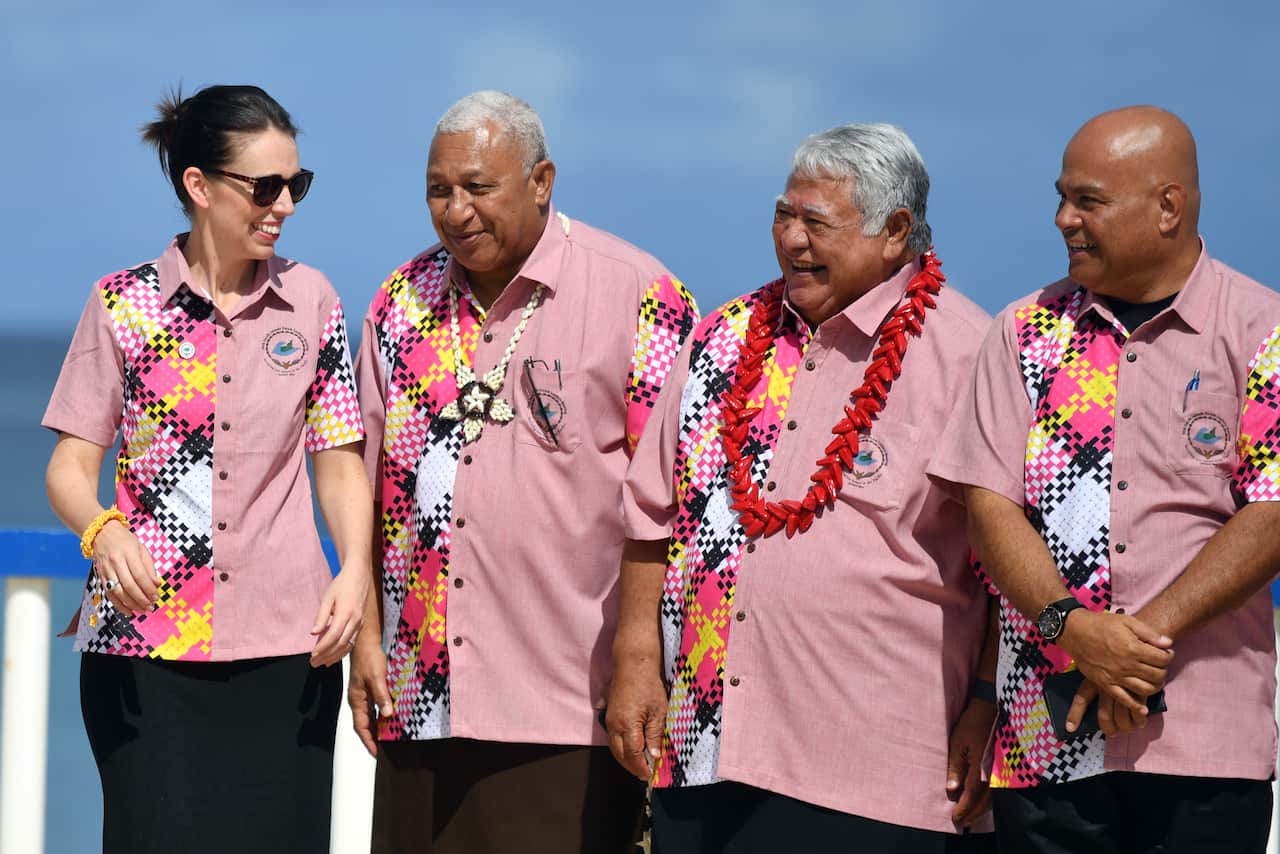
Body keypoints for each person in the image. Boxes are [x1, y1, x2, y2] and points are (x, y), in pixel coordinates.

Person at [611, 123, 998, 853]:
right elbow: (648, 512)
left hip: (875, 771)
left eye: (816, 223)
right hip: (705, 748)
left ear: (895, 231)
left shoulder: (971, 355)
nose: (792, 240)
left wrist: (985, 702)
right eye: (784, 215)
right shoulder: (723, 336)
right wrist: (635, 661)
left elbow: (1009, 562)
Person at [349, 90, 699, 854]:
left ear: (541, 180)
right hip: (419, 692)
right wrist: (364, 639)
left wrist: (646, 664)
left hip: (569, 698)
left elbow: (675, 502)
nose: (455, 210)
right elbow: (361, 486)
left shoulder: (642, 295)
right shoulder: (399, 302)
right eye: (439, 190)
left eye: (479, 187)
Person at [928, 106, 1280, 853]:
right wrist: (1075, 630)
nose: (1063, 220)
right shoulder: (1024, 332)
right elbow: (991, 511)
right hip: (1041, 742)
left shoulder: (1261, 330)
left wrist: (1137, 643)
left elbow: (1272, 512)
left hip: (1205, 744)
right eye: (1061, 198)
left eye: (1088, 200)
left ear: (1167, 207)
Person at [42, 84, 372, 854]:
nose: (285, 203)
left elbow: (340, 464)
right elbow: (68, 466)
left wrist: (354, 567)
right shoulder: (122, 305)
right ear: (199, 185)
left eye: (298, 185)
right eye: (265, 186)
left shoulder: (311, 299)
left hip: (289, 646)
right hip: (145, 646)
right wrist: (101, 528)